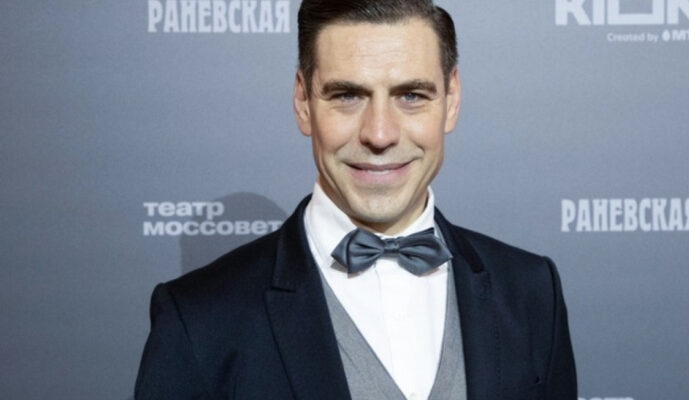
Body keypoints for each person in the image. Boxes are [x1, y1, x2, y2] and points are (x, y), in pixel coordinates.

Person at [135, 0, 577, 399]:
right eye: (347, 96)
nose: (379, 134)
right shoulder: (198, 321)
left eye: (411, 95)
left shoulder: (532, 292)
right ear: (303, 102)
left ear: (452, 99)